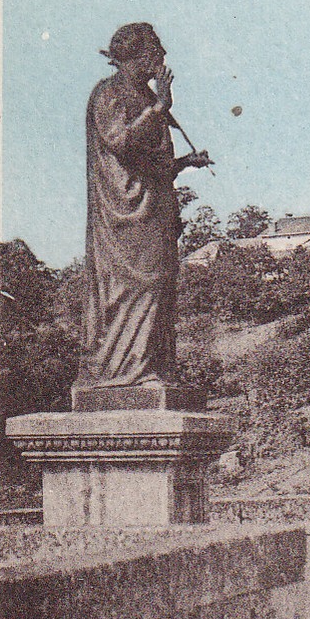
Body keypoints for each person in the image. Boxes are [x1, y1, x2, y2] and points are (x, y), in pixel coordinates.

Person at [78, 23, 211, 390]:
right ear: (141, 55)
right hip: (125, 215)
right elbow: (120, 143)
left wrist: (185, 163)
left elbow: (152, 164)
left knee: (163, 285)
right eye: (158, 51)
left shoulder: (141, 94)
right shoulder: (109, 94)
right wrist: (160, 106)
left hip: (154, 211)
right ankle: (124, 373)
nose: (165, 57)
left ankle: (151, 368)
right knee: (143, 284)